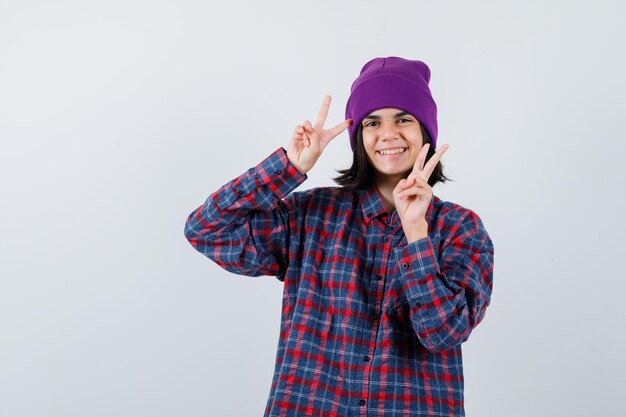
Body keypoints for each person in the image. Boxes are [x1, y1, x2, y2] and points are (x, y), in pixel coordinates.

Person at [184, 56, 495, 417]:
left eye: (404, 119)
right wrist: (289, 166)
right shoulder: (310, 214)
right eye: (373, 122)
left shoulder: (462, 228)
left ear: (425, 130)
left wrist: (416, 235)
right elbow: (206, 230)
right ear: (358, 136)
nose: (388, 133)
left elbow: (443, 334)